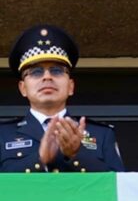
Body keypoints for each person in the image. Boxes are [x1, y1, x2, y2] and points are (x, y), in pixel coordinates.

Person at [1, 24, 125, 173]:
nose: (47, 77)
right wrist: (39, 159)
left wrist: (76, 155)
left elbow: (117, 187)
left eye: (57, 70)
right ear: (23, 88)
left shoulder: (102, 134)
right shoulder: (3, 134)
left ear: (71, 86)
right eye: (36, 72)